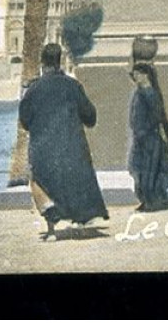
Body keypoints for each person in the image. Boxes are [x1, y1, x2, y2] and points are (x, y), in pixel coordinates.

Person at [17, 43, 108, 240]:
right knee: (78, 172)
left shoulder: (33, 89)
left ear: (43, 62)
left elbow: (24, 121)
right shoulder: (73, 86)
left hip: (44, 151)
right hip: (72, 150)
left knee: (36, 180)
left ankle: (51, 227)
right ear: (60, 61)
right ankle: (81, 222)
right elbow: (90, 117)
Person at [127, 61, 168, 212]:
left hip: (150, 138)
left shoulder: (150, 93)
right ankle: (147, 200)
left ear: (145, 75)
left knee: (150, 170)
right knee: (139, 168)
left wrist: (166, 136)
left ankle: (152, 200)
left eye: (137, 74)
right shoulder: (138, 93)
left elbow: (159, 117)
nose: (135, 77)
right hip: (140, 138)